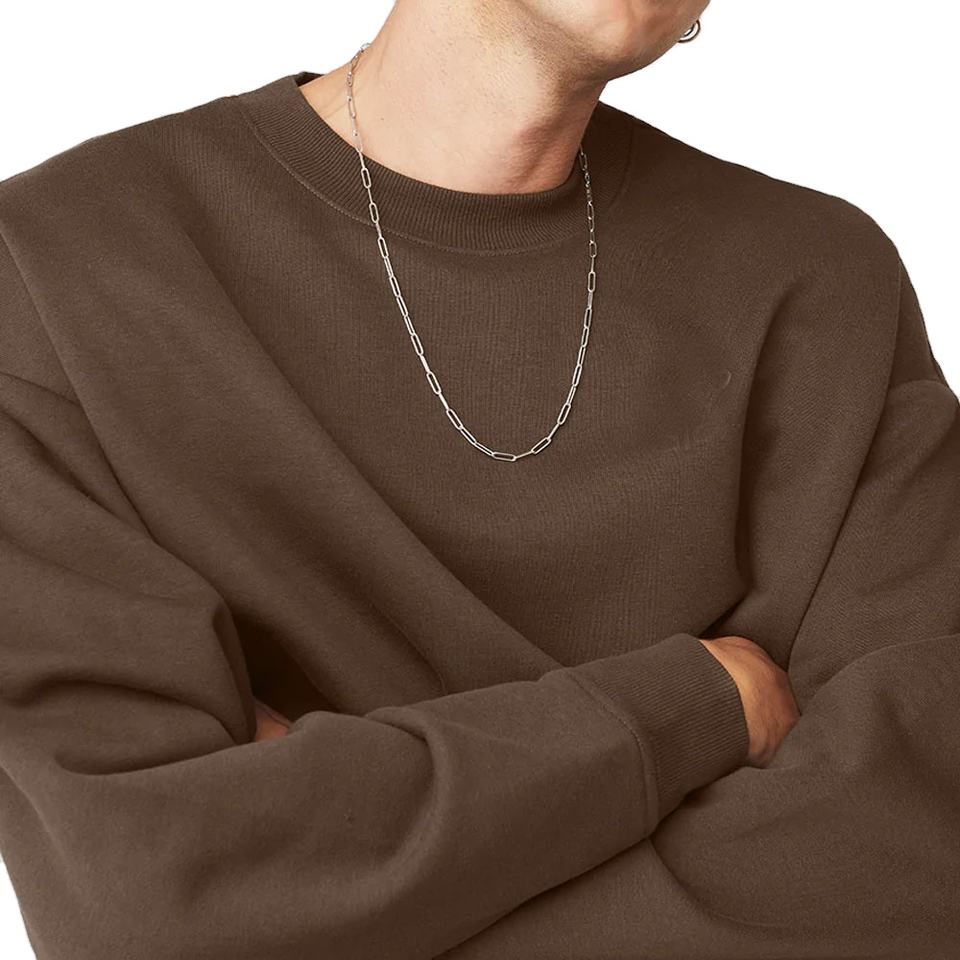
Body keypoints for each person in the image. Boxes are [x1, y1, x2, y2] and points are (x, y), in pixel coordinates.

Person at [0, 1, 956, 958]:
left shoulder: (822, 288)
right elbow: (146, 905)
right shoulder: (55, 273)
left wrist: (335, 882)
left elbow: (919, 857)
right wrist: (695, 707)